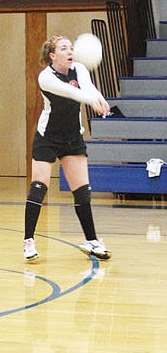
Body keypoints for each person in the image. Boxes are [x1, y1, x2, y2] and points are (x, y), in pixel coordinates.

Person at [23, 34, 112, 261]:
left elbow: (88, 87)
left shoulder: (80, 69)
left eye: (71, 47)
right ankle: (29, 241)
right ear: (53, 56)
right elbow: (71, 92)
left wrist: (99, 98)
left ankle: (91, 240)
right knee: (39, 186)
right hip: (48, 137)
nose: (70, 51)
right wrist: (90, 100)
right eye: (64, 48)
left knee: (82, 192)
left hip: (72, 137)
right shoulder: (46, 77)